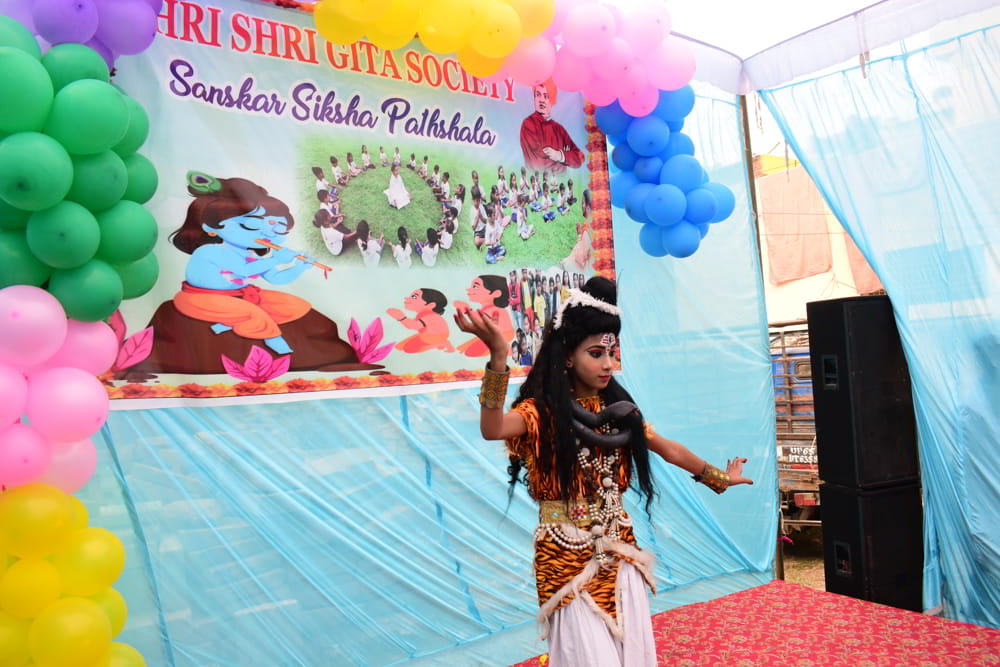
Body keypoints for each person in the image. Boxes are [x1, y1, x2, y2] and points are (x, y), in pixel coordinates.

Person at [453, 276, 753, 666]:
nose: (608, 364)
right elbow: (492, 428)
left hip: (619, 548)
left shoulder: (618, 414)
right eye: (596, 353)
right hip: (564, 552)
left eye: (612, 353)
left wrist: (720, 478)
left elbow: (670, 450)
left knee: (631, 654)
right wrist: (498, 356)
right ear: (567, 356)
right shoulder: (540, 413)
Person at [519, 79, 586, 174]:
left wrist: (560, 155)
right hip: (539, 181)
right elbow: (537, 159)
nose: (541, 100)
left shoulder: (559, 129)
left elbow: (579, 158)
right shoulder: (528, 124)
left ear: (552, 99)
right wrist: (564, 158)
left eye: (546, 96)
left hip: (561, 181)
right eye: (538, 95)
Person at [387, 288, 454, 353]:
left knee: (408, 349)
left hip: (434, 337)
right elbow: (415, 324)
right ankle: (440, 342)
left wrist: (401, 317)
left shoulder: (431, 316)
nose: (406, 298)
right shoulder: (424, 314)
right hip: (426, 335)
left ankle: (440, 343)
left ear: (431, 305)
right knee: (399, 347)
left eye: (414, 297)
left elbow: (413, 326)